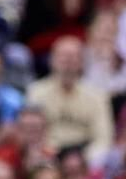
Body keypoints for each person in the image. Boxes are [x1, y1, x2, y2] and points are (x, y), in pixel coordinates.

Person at [26, 35, 113, 163]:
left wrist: (85, 159)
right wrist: (48, 154)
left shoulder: (97, 96)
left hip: (83, 157)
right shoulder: (36, 92)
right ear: (52, 60)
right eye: (63, 56)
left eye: (73, 57)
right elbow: (31, 135)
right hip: (47, 154)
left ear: (82, 62)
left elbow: (103, 138)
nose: (68, 62)